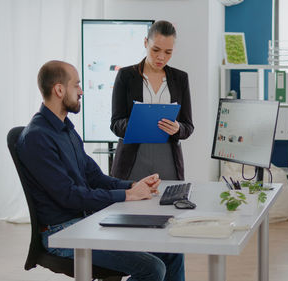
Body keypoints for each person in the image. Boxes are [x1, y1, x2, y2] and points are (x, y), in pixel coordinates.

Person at [17, 60, 185, 281]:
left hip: (86, 221)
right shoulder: (37, 137)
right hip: (61, 232)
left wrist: (133, 185)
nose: (81, 91)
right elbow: (69, 196)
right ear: (59, 89)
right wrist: (127, 195)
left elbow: (94, 176)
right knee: (152, 268)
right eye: (76, 85)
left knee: (173, 252)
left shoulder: (66, 129)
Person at [111, 20, 193, 181]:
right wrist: (137, 124)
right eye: (156, 49)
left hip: (168, 157)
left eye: (168, 52)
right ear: (145, 43)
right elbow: (115, 124)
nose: (161, 57)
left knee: (168, 203)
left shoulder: (180, 78)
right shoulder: (126, 76)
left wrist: (177, 128)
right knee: (131, 205)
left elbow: (188, 126)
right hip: (132, 158)